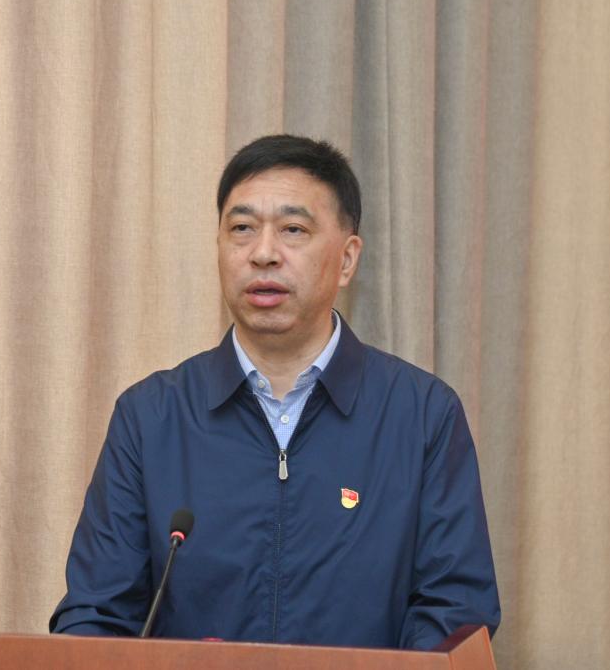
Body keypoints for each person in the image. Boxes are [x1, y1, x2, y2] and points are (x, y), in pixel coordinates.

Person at [49, 134, 500, 649]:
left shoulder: (422, 415)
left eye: (293, 230)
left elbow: (454, 612)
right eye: (241, 228)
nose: (263, 254)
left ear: (347, 259)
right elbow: (96, 613)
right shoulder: (151, 417)